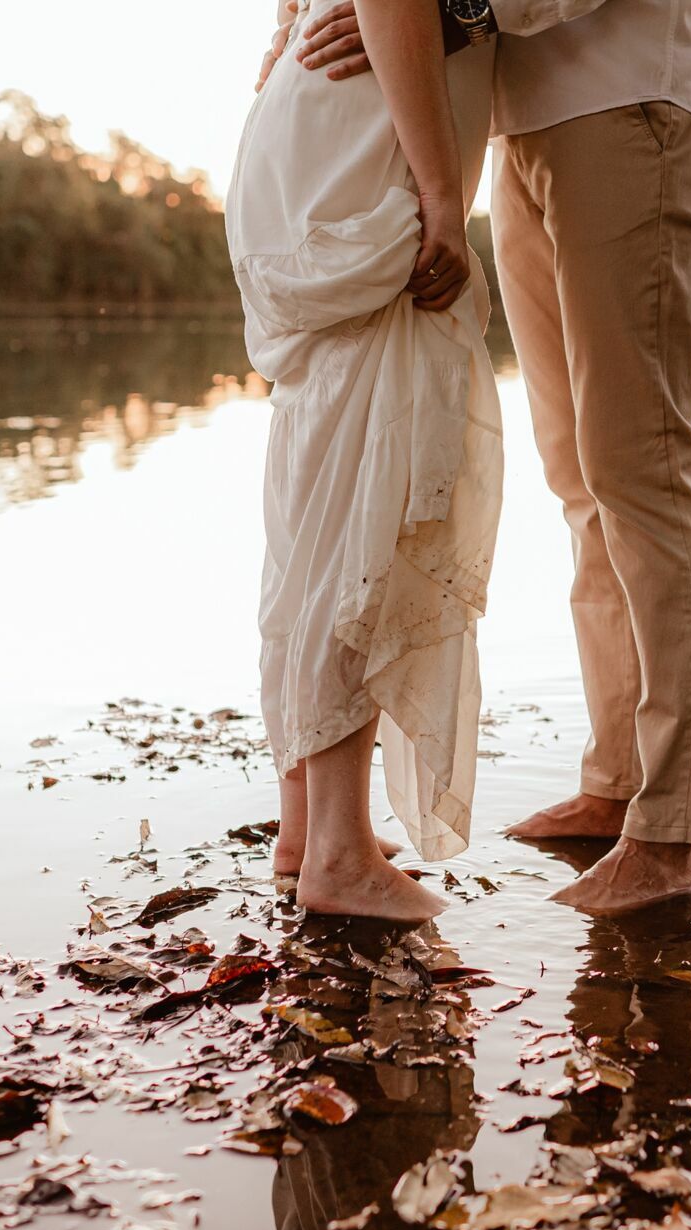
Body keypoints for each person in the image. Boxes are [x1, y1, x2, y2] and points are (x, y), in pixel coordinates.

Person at [282, 0, 691, 914]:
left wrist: (457, 8)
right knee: (579, 475)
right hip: (520, 119)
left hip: (635, 95)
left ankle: (671, 831)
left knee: (641, 463)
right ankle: (617, 779)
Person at [228, 0, 503, 922]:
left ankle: (306, 826)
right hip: (364, 159)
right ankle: (338, 856)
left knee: (320, 483)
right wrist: (440, 201)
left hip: (324, 139)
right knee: (358, 497)